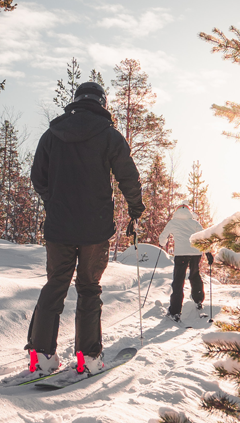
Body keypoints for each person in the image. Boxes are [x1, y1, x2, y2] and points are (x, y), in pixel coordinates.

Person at [27, 81, 145, 377]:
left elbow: (37, 176)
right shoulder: (109, 136)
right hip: (94, 230)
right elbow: (128, 176)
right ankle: (88, 358)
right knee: (89, 289)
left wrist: (53, 200)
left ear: (76, 101)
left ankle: (40, 356)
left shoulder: (52, 134)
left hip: (58, 228)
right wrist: (135, 210)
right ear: (102, 103)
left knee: (55, 286)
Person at [158, 204, 206, 322]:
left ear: (176, 211)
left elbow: (163, 238)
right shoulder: (194, 223)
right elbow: (204, 237)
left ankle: (175, 311)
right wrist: (208, 252)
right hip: (196, 253)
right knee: (195, 275)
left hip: (181, 254)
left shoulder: (173, 222)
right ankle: (198, 300)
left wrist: (162, 243)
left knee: (178, 280)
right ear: (189, 212)